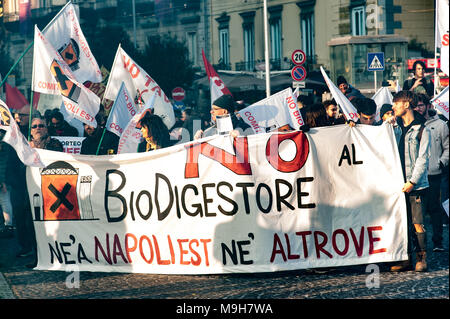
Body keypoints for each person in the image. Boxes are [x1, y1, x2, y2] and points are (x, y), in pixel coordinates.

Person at [390, 90, 431, 272]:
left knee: (417, 222)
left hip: (416, 185)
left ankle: (421, 258)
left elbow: (423, 159)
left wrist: (412, 181)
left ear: (406, 105)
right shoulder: (396, 127)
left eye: (396, 103)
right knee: (402, 222)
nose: (393, 107)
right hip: (397, 183)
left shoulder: (422, 129)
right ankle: (405, 257)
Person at [414, 94, 449, 252]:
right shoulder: (412, 125)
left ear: (428, 106)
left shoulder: (441, 125)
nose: (418, 108)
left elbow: (447, 147)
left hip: (434, 173)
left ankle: (437, 242)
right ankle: (419, 245)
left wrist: (441, 162)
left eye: (420, 105)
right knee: (417, 213)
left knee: (435, 209)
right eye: (415, 105)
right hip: (416, 176)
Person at [0, 135, 14, 238]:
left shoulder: (5, 145)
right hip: (4, 179)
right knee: (5, 202)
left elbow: (3, 164)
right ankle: (8, 226)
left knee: (5, 201)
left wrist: (2, 181)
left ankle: (9, 226)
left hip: (4, 178)